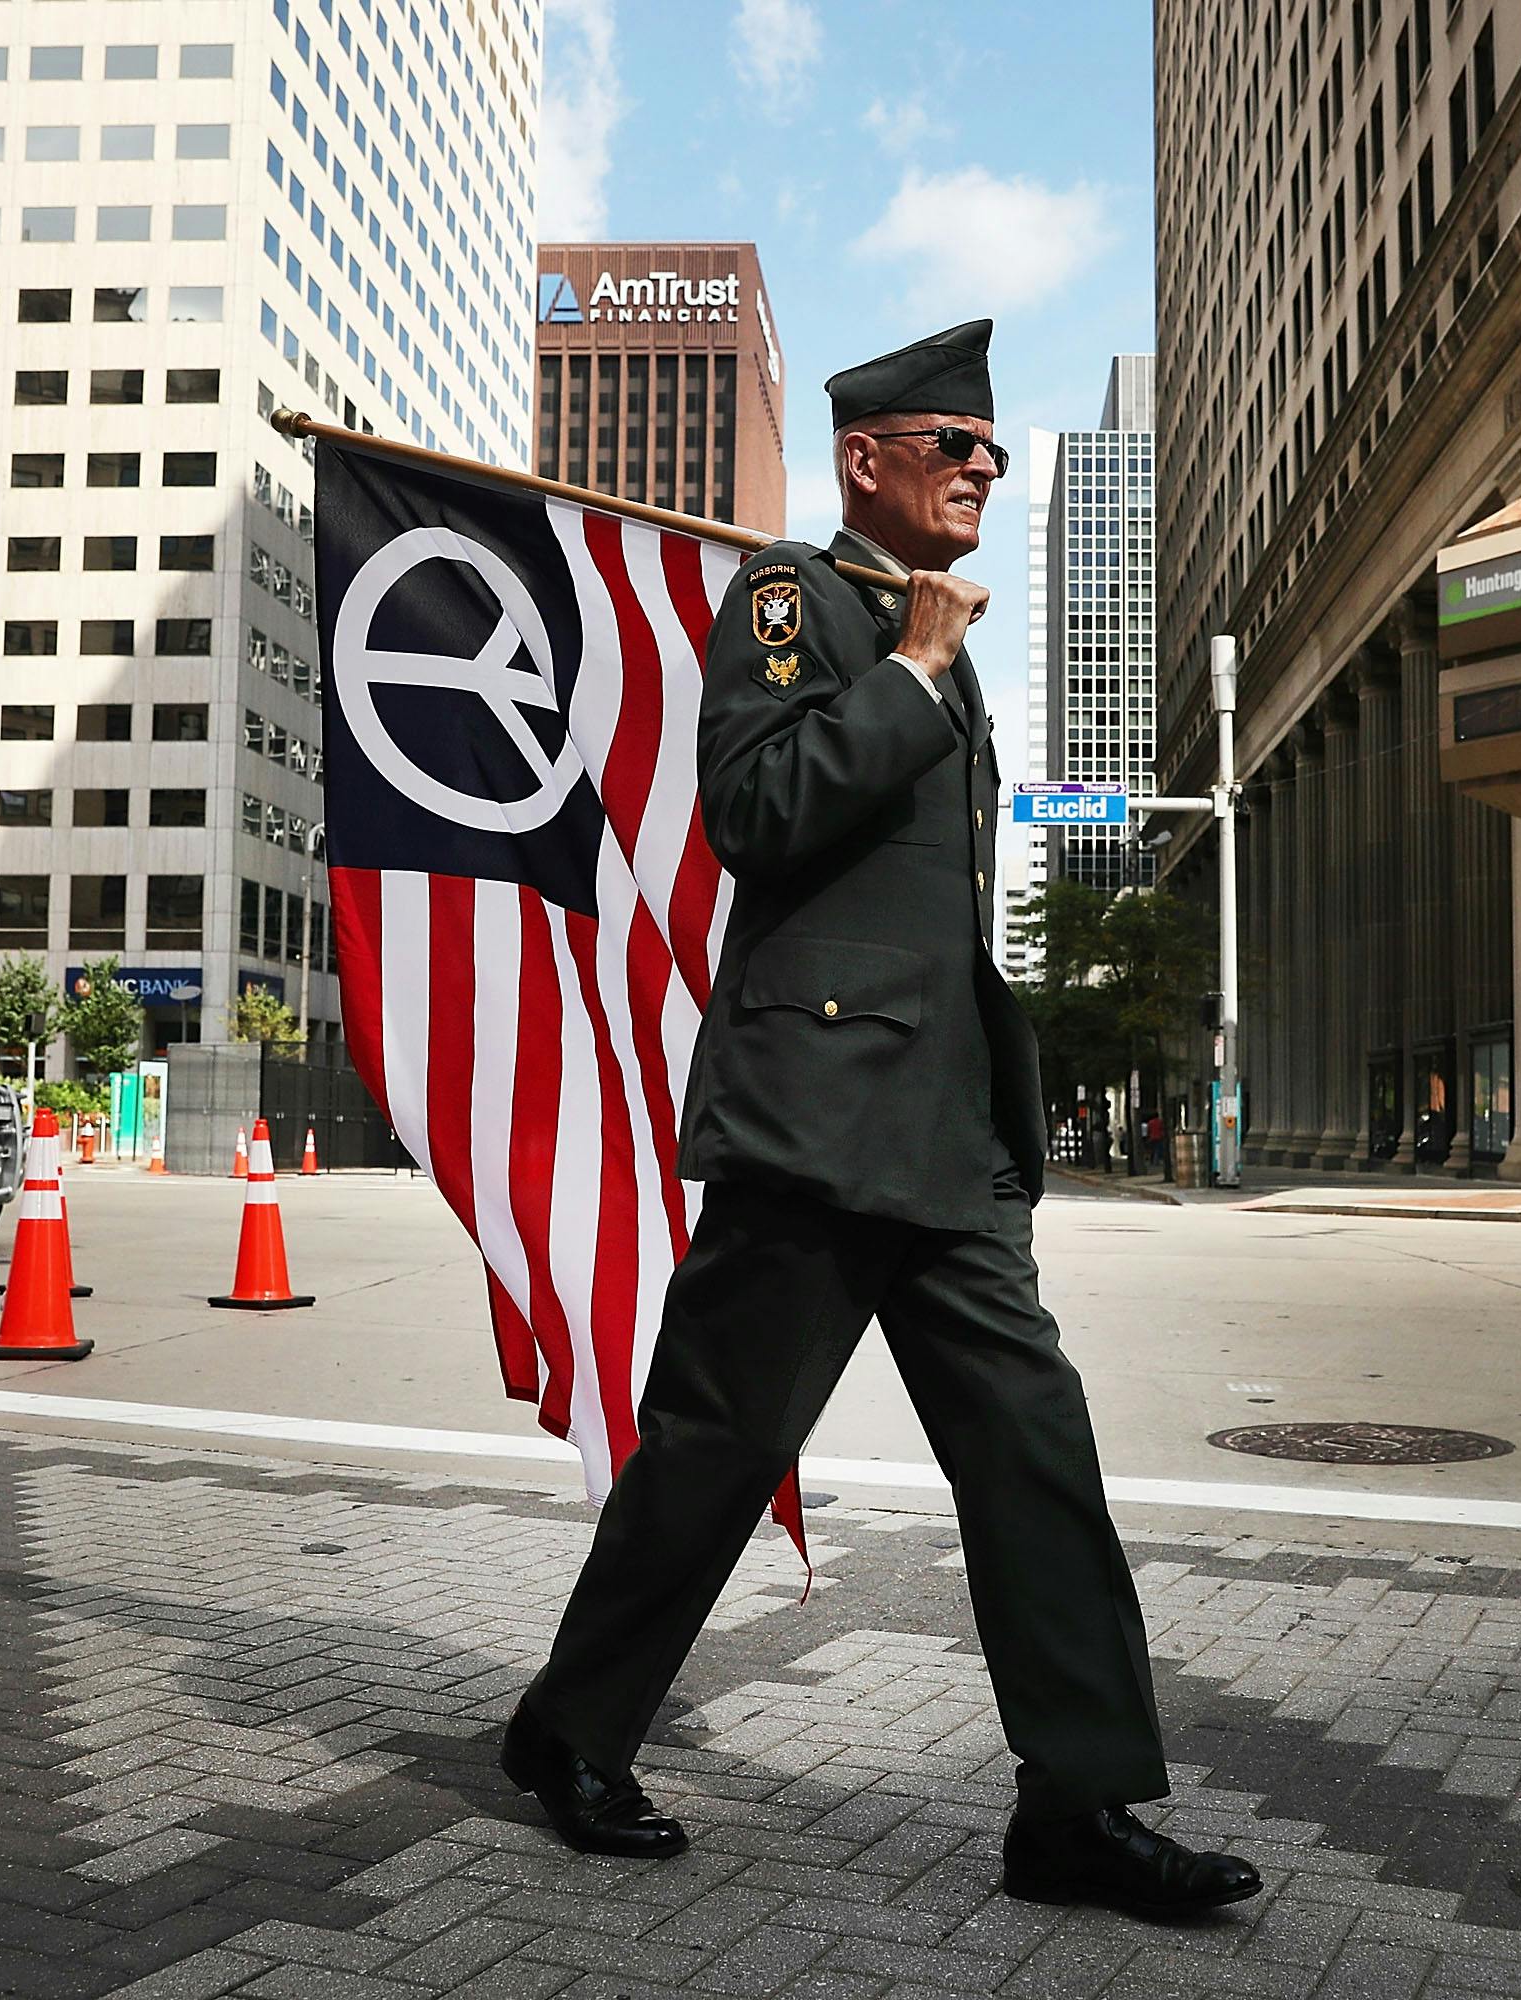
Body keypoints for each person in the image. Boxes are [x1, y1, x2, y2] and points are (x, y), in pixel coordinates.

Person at [500, 321, 1259, 1918]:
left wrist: (931, 660)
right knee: (718, 1445)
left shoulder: (941, 634)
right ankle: (570, 1733)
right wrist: (910, 668)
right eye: (956, 446)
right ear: (869, 461)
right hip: (819, 1114)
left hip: (945, 1133)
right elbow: (759, 810)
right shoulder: (793, 598)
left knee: (1037, 1453)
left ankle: (1077, 1805)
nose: (987, 468)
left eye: (995, 450)